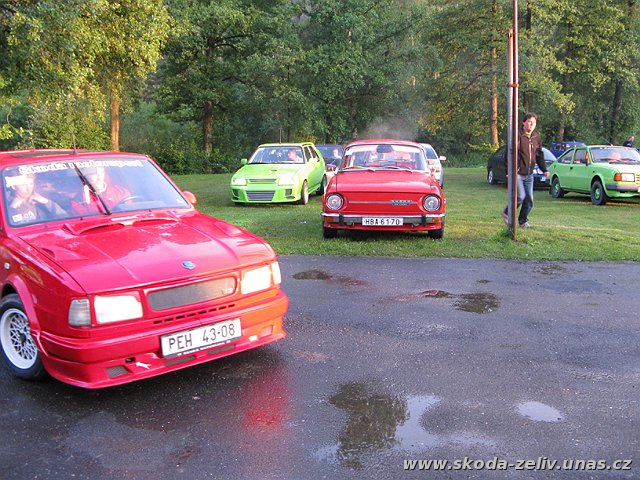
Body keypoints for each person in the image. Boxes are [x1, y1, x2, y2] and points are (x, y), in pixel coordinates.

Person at [502, 112, 548, 229]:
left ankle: (523, 222)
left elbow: (539, 155)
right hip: (517, 173)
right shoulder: (517, 136)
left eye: (534, 123)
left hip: (529, 174)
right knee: (520, 196)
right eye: (529, 122)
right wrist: (508, 171)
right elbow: (508, 154)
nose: (531, 125)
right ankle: (507, 213)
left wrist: (544, 169)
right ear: (524, 122)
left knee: (529, 200)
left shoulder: (536, 138)